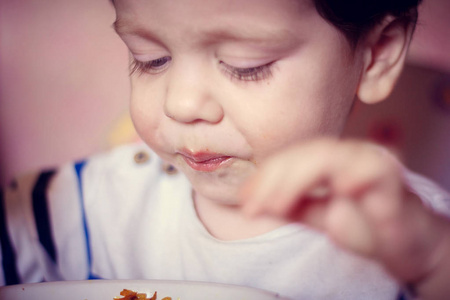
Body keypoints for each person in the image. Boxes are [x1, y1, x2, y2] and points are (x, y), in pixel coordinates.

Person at [1, 0, 450, 299]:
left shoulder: (410, 235)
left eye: (245, 66)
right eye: (149, 58)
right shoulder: (90, 207)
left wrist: (433, 264)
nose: (180, 103)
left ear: (376, 54)